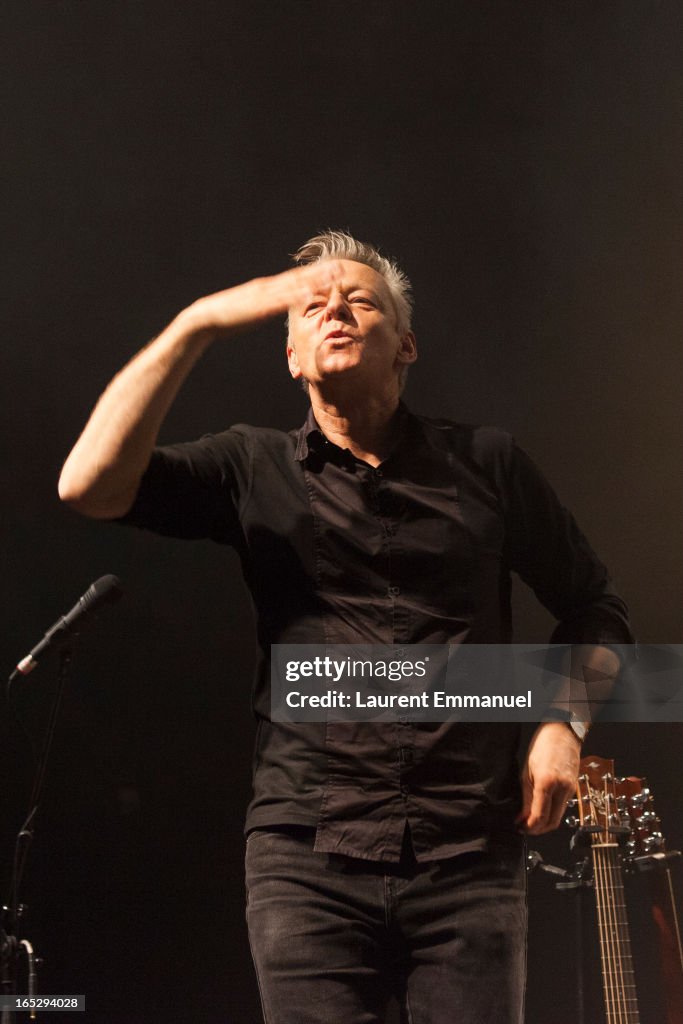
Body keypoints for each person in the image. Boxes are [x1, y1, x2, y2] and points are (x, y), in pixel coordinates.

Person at [58, 231, 632, 1023]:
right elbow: (87, 485)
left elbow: (596, 606)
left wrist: (562, 723)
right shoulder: (247, 465)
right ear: (291, 356)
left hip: (469, 851)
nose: (334, 309)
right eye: (311, 304)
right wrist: (196, 323)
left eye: (361, 300)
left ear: (406, 345)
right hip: (307, 856)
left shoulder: (488, 464)